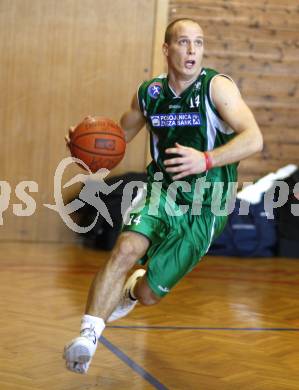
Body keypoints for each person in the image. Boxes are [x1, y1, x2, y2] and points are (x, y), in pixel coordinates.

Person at [63, 18, 263, 374]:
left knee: (148, 295)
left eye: (198, 43)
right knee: (125, 248)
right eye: (184, 42)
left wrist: (206, 159)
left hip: (208, 202)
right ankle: (87, 339)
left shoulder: (216, 88)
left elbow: (254, 138)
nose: (191, 50)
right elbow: (117, 141)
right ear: (167, 49)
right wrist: (86, 149)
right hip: (163, 190)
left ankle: (129, 293)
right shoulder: (149, 94)